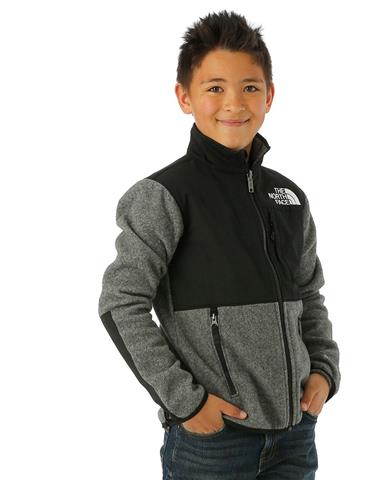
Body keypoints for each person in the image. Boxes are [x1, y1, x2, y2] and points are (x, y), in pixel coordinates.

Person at [98, 9, 341, 479]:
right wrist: (187, 403)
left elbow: (309, 295)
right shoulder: (163, 196)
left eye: (249, 87)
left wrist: (324, 371)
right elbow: (120, 303)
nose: (234, 102)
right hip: (213, 444)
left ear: (269, 96)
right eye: (214, 88)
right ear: (184, 97)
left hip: (295, 435)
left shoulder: (288, 197)